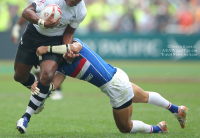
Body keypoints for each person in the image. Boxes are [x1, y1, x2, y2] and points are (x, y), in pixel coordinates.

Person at [23, 38, 187, 134]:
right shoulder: (61, 66)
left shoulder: (73, 46)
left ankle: (158, 129)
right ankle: (176, 109)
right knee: (144, 96)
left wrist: (47, 48)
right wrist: (43, 87)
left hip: (115, 87)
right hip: (118, 75)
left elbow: (75, 47)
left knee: (125, 127)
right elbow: (55, 83)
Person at [15, 0, 90, 133]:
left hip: (54, 40)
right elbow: (26, 11)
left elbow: (69, 32)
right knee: (19, 76)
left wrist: (67, 48)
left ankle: (25, 117)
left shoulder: (81, 11)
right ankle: (41, 92)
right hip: (33, 34)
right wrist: (42, 22)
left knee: (48, 74)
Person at [11, 0, 51, 81]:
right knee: (32, 67)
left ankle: (57, 90)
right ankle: (40, 89)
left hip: (50, 34)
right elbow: (26, 12)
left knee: (48, 64)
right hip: (34, 32)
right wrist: (16, 28)